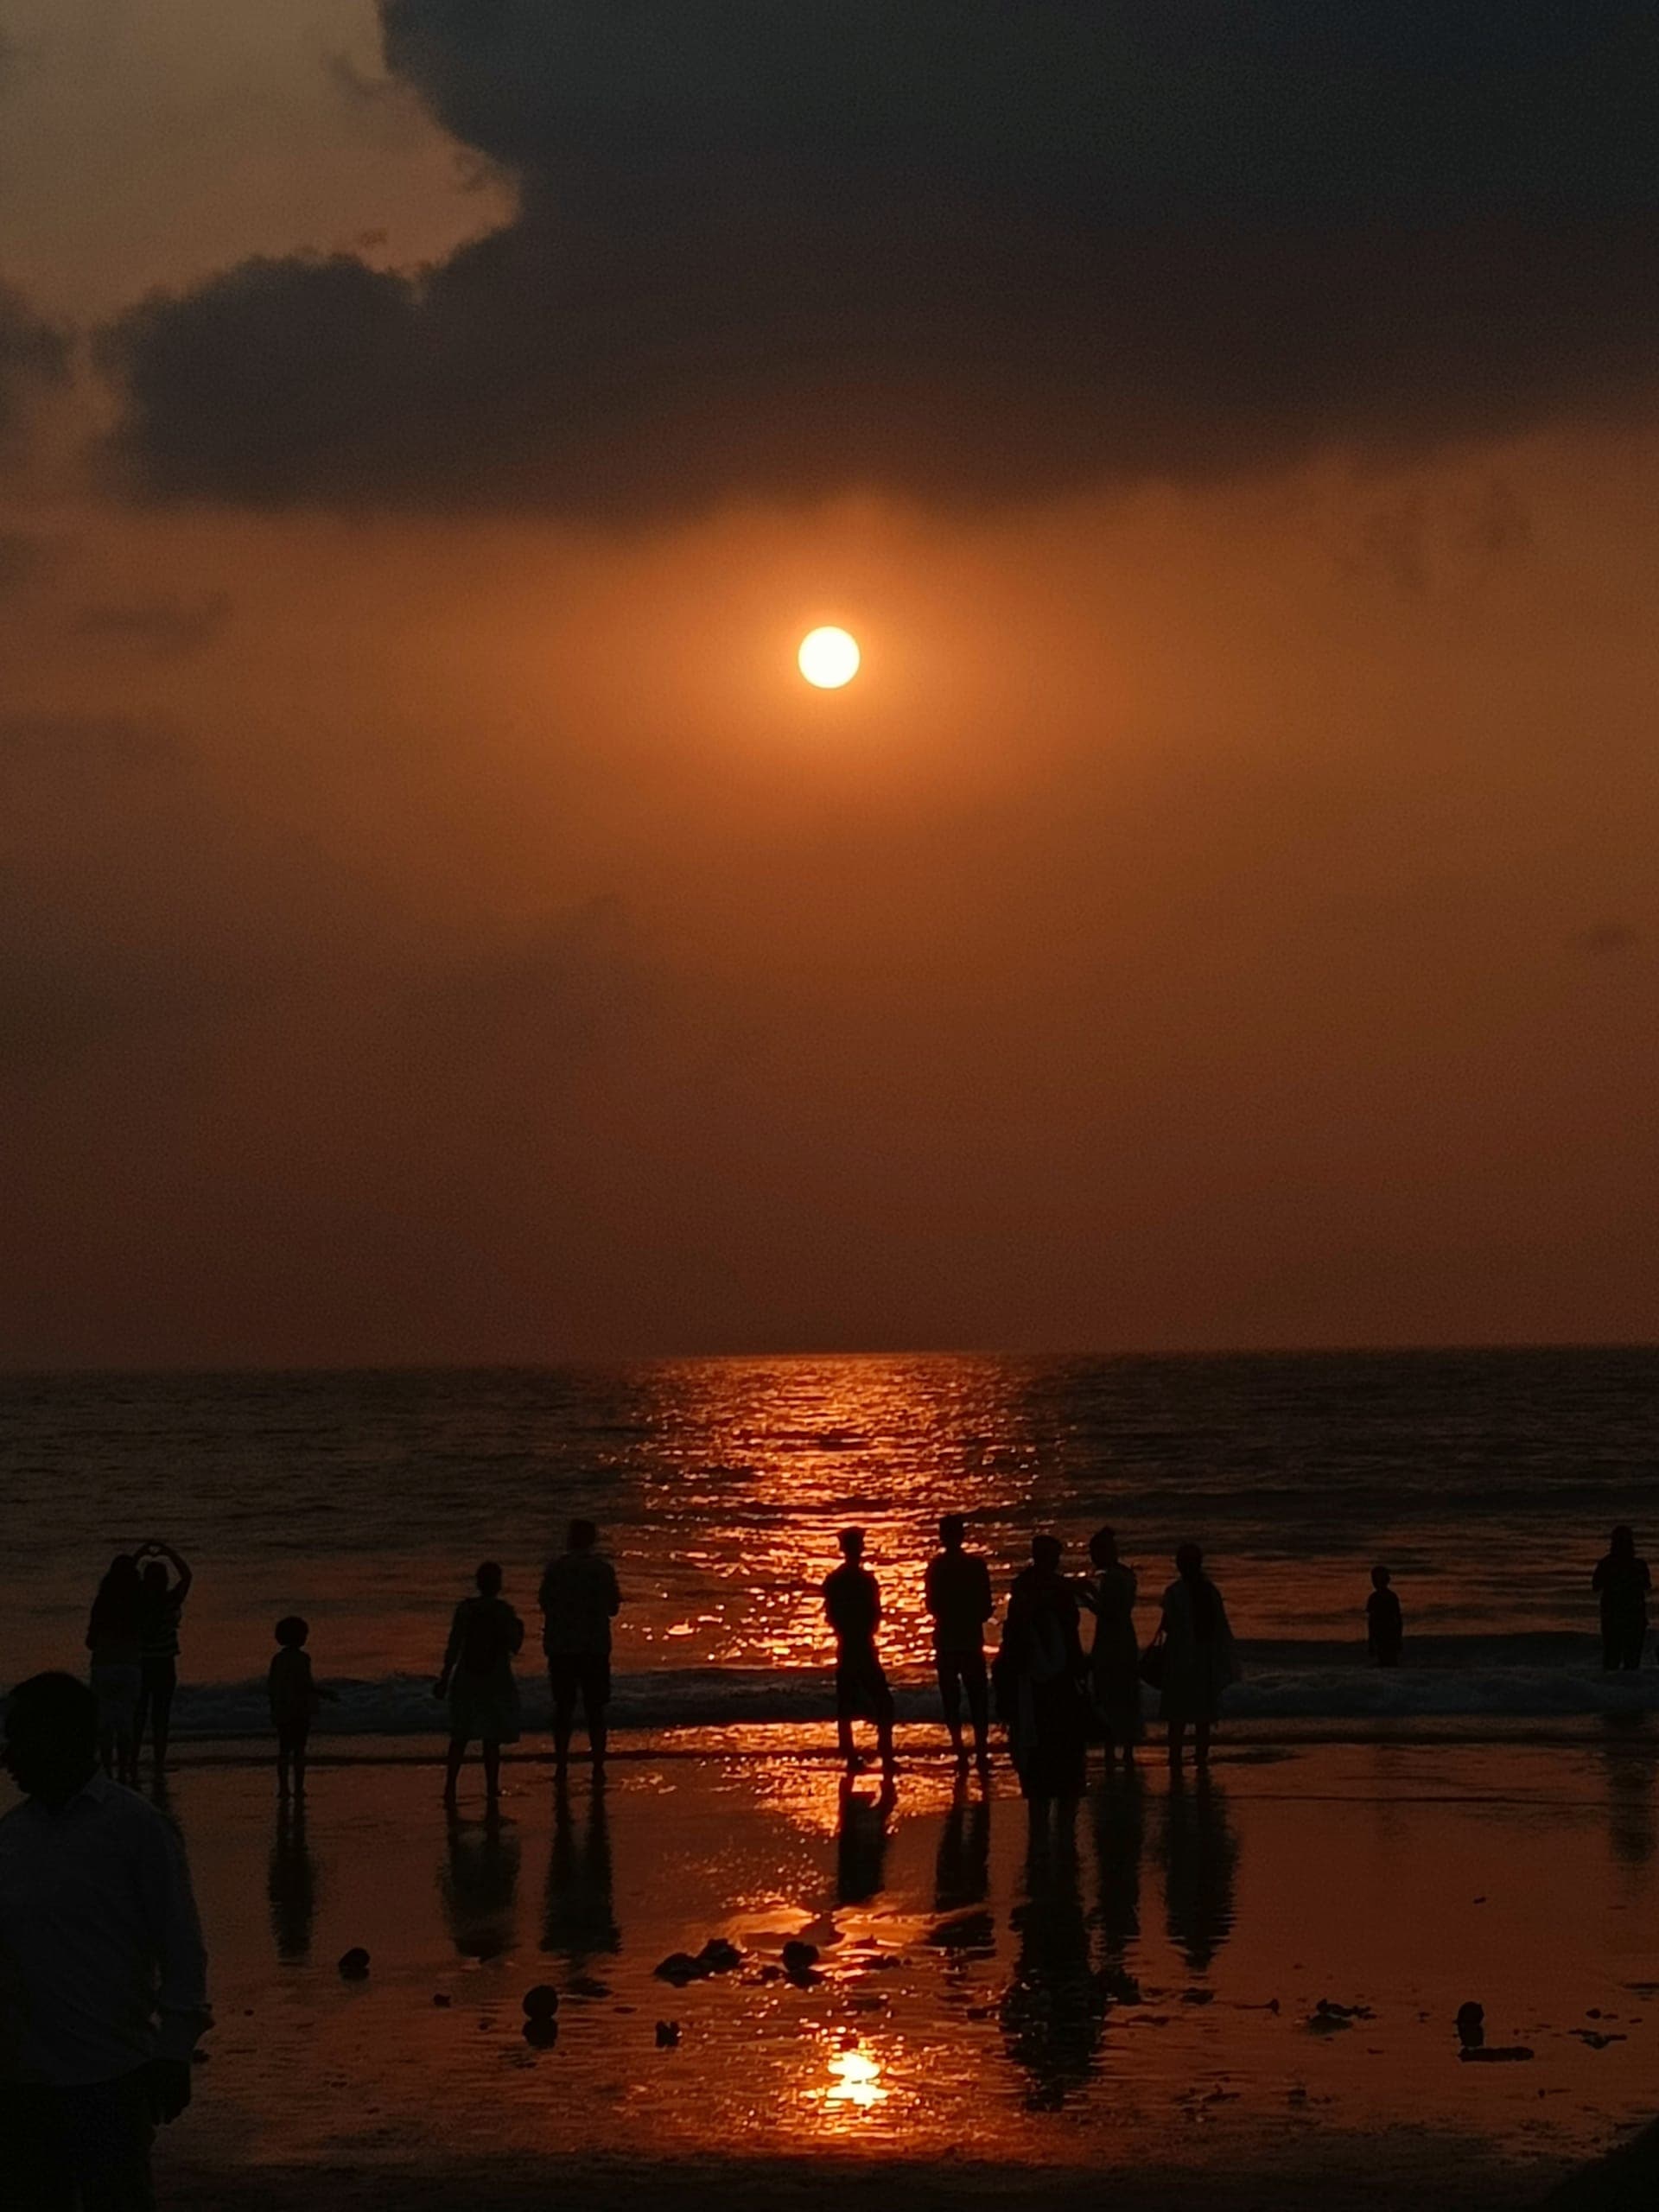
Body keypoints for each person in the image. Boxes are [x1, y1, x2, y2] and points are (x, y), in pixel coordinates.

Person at [0, 1671, 210, 2210]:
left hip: (111, 2076)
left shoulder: (136, 1827)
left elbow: (180, 1945)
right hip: (23, 2079)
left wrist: (173, 2051)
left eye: (19, 1735)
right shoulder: (10, 1838)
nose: (8, 1753)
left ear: (64, 1736)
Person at [999, 1535, 1089, 1808]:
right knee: (1050, 1741)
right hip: (1040, 1678)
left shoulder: (1031, 1589)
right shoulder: (1047, 1590)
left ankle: (1048, 1800)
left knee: (1045, 1743)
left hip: (1045, 1675)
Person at [538, 1520, 623, 1781]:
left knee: (563, 1706)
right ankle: (598, 1765)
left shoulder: (555, 1569)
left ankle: (561, 1765)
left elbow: (545, 1603)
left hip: (562, 1644)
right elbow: (613, 1608)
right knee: (595, 1707)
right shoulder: (602, 1570)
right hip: (594, 1645)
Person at [435, 1562, 524, 1805]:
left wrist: (444, 1677)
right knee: (491, 1737)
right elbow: (514, 1645)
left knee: (460, 1735)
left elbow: (454, 1646)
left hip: (467, 1675)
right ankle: (492, 1787)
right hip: (495, 1677)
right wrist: (520, 1629)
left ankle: (450, 1786)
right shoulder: (503, 1611)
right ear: (498, 1584)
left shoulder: (465, 1609)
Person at [1157, 1542, 1240, 1774]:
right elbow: (1219, 1628)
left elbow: (1167, 1625)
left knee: (1178, 1715)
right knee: (1203, 1715)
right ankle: (1201, 1759)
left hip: (1180, 1659)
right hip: (1204, 1659)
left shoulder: (1174, 1592)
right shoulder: (1210, 1591)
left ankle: (1175, 1759)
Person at [823, 1528, 896, 1779]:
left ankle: (853, 1754)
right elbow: (874, 1613)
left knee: (848, 1701)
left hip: (849, 1643)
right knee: (881, 1700)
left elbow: (831, 1615)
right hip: (860, 1643)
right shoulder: (864, 1581)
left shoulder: (836, 1581)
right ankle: (880, 1753)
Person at [925, 1513, 994, 1770]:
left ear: (942, 1537)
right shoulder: (976, 1566)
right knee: (978, 1698)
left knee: (951, 1699)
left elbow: (931, 1605)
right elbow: (987, 1608)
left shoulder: (936, 1567)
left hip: (946, 1640)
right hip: (970, 1639)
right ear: (962, 1535)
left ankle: (960, 1752)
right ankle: (981, 1750)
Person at [1080, 1526, 1143, 1765]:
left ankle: (1112, 1750)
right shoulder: (1125, 1575)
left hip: (1112, 1640)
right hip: (1124, 1637)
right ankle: (1126, 1749)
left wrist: (1086, 1596)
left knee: (1109, 1692)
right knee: (1125, 1693)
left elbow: (1109, 1612)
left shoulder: (1113, 1578)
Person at [134, 1541, 193, 1777]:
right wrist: (169, 1552)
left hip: (141, 1663)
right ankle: (159, 1761)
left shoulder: (137, 1601)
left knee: (138, 1714)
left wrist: (142, 1552)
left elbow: (127, 1571)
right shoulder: (171, 1601)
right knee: (161, 1716)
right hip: (164, 1663)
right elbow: (187, 1575)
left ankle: (132, 1760)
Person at [86, 1554, 144, 1787]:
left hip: (104, 1663)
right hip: (130, 1663)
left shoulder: (102, 1602)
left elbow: (90, 1640)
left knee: (105, 1721)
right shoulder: (138, 1603)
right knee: (125, 1720)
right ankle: (124, 1770)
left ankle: (108, 1769)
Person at [267, 1616, 335, 1797]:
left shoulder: (277, 1659)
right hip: (299, 1710)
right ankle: (298, 1788)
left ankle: (283, 1788)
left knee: (283, 1750)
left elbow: (272, 1685)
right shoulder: (303, 1658)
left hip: (283, 1710)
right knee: (299, 1750)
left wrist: (274, 1706)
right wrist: (325, 1694)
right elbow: (305, 1684)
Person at [1592, 1526, 1651, 1672]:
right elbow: (1646, 1585)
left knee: (1612, 1661)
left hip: (1615, 1618)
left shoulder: (1607, 1564)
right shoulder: (1639, 1565)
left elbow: (1596, 1586)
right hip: (1631, 1618)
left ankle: (1612, 1692)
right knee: (1630, 1663)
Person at [1366, 1565, 1403, 1668]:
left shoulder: (1380, 1597)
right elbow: (1399, 1619)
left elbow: (1371, 1621)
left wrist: (1370, 1640)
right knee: (1387, 1661)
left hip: (1387, 1633)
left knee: (1388, 1661)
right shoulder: (1380, 1597)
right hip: (1384, 1634)